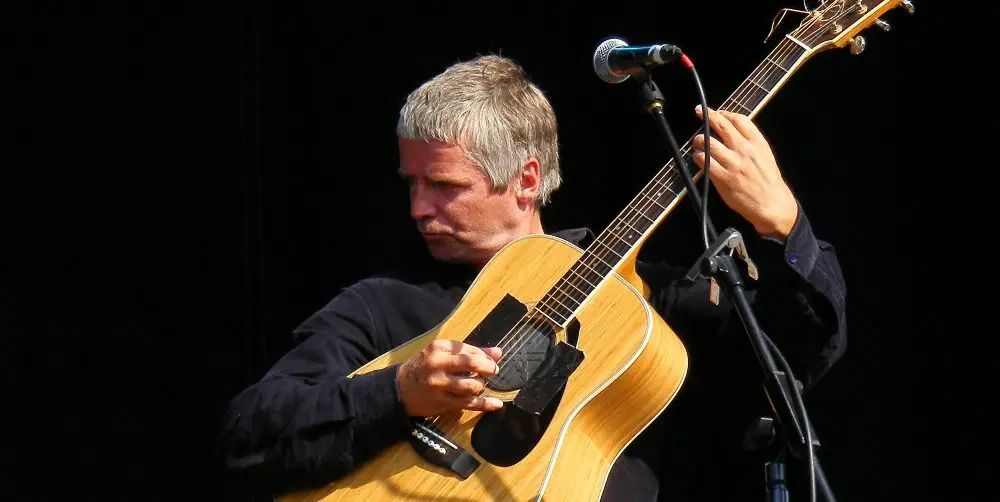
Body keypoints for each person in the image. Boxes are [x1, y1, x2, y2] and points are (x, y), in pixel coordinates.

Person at [217, 54, 846, 500]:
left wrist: (782, 225)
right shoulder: (385, 305)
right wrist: (399, 391)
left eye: (444, 186)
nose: (418, 209)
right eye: (411, 183)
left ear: (525, 179)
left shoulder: (643, 301)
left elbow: (797, 360)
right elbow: (251, 432)